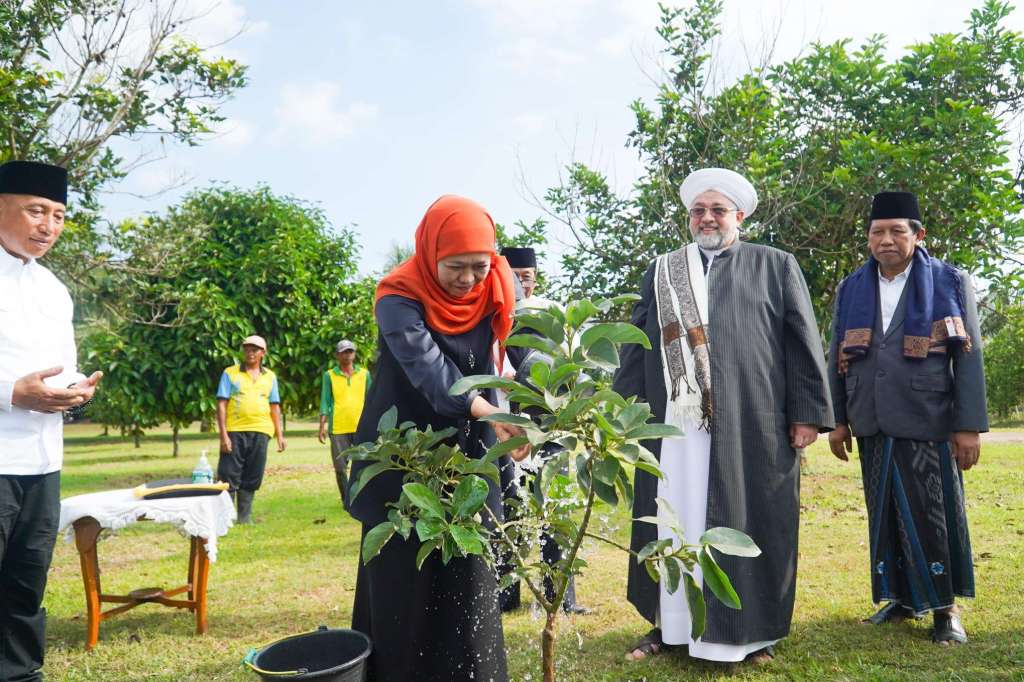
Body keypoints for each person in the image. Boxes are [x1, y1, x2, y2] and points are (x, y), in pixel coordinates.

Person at [613, 168, 833, 664]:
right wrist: (626, 411)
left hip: (752, 423)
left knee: (752, 520)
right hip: (674, 424)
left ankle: (753, 634)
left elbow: (802, 344)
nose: (707, 218)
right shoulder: (664, 269)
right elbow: (638, 341)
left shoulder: (775, 265)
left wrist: (807, 414)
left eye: (717, 210)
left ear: (740, 216)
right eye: (698, 211)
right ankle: (667, 628)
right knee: (671, 517)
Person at [349, 195, 531, 682]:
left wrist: (533, 408)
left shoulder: (499, 282)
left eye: (480, 265)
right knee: (402, 574)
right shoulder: (397, 296)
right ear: (430, 254)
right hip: (403, 451)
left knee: (469, 570)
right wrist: (491, 411)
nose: (469, 279)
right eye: (456, 266)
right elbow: (430, 371)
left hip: (472, 448)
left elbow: (521, 346)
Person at [827, 191, 986, 645]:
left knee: (934, 514)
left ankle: (945, 609)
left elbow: (969, 360)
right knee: (885, 513)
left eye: (898, 230)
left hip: (928, 415)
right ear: (868, 239)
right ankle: (898, 598)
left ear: (918, 235)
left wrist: (967, 425)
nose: (887, 240)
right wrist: (837, 419)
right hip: (870, 418)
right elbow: (835, 353)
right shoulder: (851, 288)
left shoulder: (950, 282)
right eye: (878, 232)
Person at [0, 160, 103, 681]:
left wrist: (77, 390)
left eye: (59, 216)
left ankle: (21, 676)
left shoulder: (54, 290)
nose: (49, 227)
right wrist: (10, 392)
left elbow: (65, 363)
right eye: (36, 211)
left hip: (42, 464)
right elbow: (16, 384)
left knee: (25, 584)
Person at [497, 245, 592, 616]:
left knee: (555, 504)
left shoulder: (551, 314)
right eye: (515, 277)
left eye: (528, 277)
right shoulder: (495, 315)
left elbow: (568, 363)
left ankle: (560, 596)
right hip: (505, 424)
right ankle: (506, 594)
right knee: (509, 508)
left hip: (550, 424)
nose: (522, 284)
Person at [215, 335, 286, 524]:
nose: (250, 353)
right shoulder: (230, 373)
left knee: (253, 474)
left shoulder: (270, 377)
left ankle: (245, 518)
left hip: (261, 431)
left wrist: (279, 435)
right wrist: (223, 435)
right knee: (228, 474)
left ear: (263, 353)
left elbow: (274, 406)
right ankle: (226, 518)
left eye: (255, 350)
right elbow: (221, 404)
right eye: (247, 349)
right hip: (235, 430)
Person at [317, 339, 371, 508]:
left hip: (361, 426)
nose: (347, 355)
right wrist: (322, 426)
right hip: (338, 427)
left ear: (354, 354)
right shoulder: (329, 375)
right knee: (340, 467)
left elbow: (371, 400)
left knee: (363, 464)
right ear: (337, 355)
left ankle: (361, 498)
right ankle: (346, 501)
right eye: (343, 352)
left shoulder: (364, 374)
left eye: (350, 351)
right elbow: (325, 401)